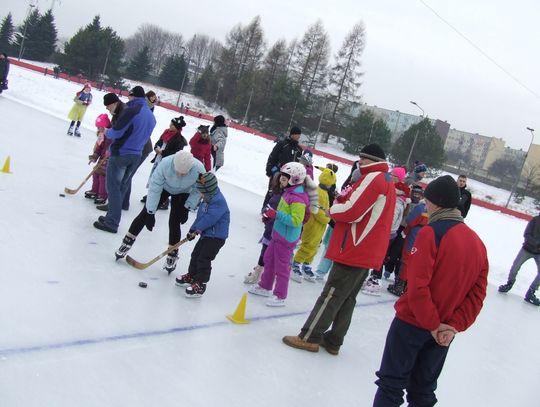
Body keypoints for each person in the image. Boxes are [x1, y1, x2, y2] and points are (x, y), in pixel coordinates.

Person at [372, 175, 489, 407]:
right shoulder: (477, 243)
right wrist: (452, 326)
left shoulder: (430, 232)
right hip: (443, 332)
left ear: (436, 203)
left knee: (391, 384)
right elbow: (477, 295)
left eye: (427, 200)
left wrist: (434, 325)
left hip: (413, 324)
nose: (424, 204)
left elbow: (417, 287)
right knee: (423, 391)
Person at [282, 143, 396, 354]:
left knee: (332, 294)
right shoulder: (384, 179)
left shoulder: (374, 178)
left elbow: (353, 210)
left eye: (364, 158)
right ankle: (334, 340)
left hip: (354, 248)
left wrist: (331, 209)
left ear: (374, 160)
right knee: (347, 298)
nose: (360, 162)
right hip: (366, 250)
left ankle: (310, 336)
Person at [114, 151, 204, 273]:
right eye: (178, 171)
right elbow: (155, 187)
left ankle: (172, 254)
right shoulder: (165, 164)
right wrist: (151, 212)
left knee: (175, 221)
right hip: (164, 187)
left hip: (183, 192)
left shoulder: (199, 169)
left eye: (184, 173)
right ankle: (126, 243)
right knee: (144, 214)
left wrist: (188, 207)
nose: (180, 175)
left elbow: (198, 190)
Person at [93, 86, 156, 233]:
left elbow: (117, 133)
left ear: (133, 96)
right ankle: (111, 216)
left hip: (122, 153)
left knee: (113, 187)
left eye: (129, 97)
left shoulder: (132, 111)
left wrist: (106, 131)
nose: (128, 100)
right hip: (136, 154)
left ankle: (112, 222)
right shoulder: (151, 116)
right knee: (121, 186)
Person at [248, 162, 310, 307]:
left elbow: (296, 221)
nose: (280, 182)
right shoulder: (288, 192)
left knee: (282, 268)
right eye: (281, 178)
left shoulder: (298, 198)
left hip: (286, 239)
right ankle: (265, 286)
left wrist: (276, 214)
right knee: (269, 260)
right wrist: (270, 216)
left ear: (294, 180)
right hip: (277, 235)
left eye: (283, 179)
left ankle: (280, 295)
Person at [175, 172, 230, 297]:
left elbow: (210, 219)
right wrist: (192, 229)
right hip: (207, 234)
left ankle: (200, 284)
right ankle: (192, 276)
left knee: (204, 258)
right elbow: (201, 217)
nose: (200, 194)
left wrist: (198, 229)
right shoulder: (207, 199)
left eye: (202, 192)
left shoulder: (218, 201)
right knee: (195, 255)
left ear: (208, 189)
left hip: (216, 237)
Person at [291, 166, 335, 282]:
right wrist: (327, 218)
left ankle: (307, 264)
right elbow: (316, 209)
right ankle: (296, 263)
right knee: (308, 244)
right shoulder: (318, 192)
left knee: (315, 246)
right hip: (313, 224)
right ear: (327, 182)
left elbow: (325, 208)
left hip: (320, 226)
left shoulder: (325, 192)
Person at [244, 173, 284, 284]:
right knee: (265, 252)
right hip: (270, 229)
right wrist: (265, 215)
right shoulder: (276, 194)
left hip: (273, 231)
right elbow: (268, 208)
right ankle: (259, 273)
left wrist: (267, 217)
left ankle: (261, 276)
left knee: (267, 254)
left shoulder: (281, 197)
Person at [498, 214, 540, 306]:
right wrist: (537, 244)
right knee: (515, 267)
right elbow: (526, 234)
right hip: (527, 249)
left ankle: (531, 292)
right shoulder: (535, 220)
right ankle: (509, 284)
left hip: (538, 253)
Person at [262, 126, 303, 210]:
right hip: (278, 173)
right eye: (297, 134)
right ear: (292, 134)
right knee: (272, 191)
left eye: (299, 134)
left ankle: (276, 212)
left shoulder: (299, 149)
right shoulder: (282, 144)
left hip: (290, 177)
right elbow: (272, 157)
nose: (299, 136)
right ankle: (265, 209)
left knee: (284, 195)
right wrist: (269, 170)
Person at [85, 113, 112, 205]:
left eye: (99, 127)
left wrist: (109, 153)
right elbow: (99, 147)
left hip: (108, 159)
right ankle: (95, 190)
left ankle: (102, 195)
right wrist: (94, 156)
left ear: (104, 126)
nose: (98, 129)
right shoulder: (102, 134)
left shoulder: (110, 135)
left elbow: (113, 146)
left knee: (102, 176)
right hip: (102, 158)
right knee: (95, 173)